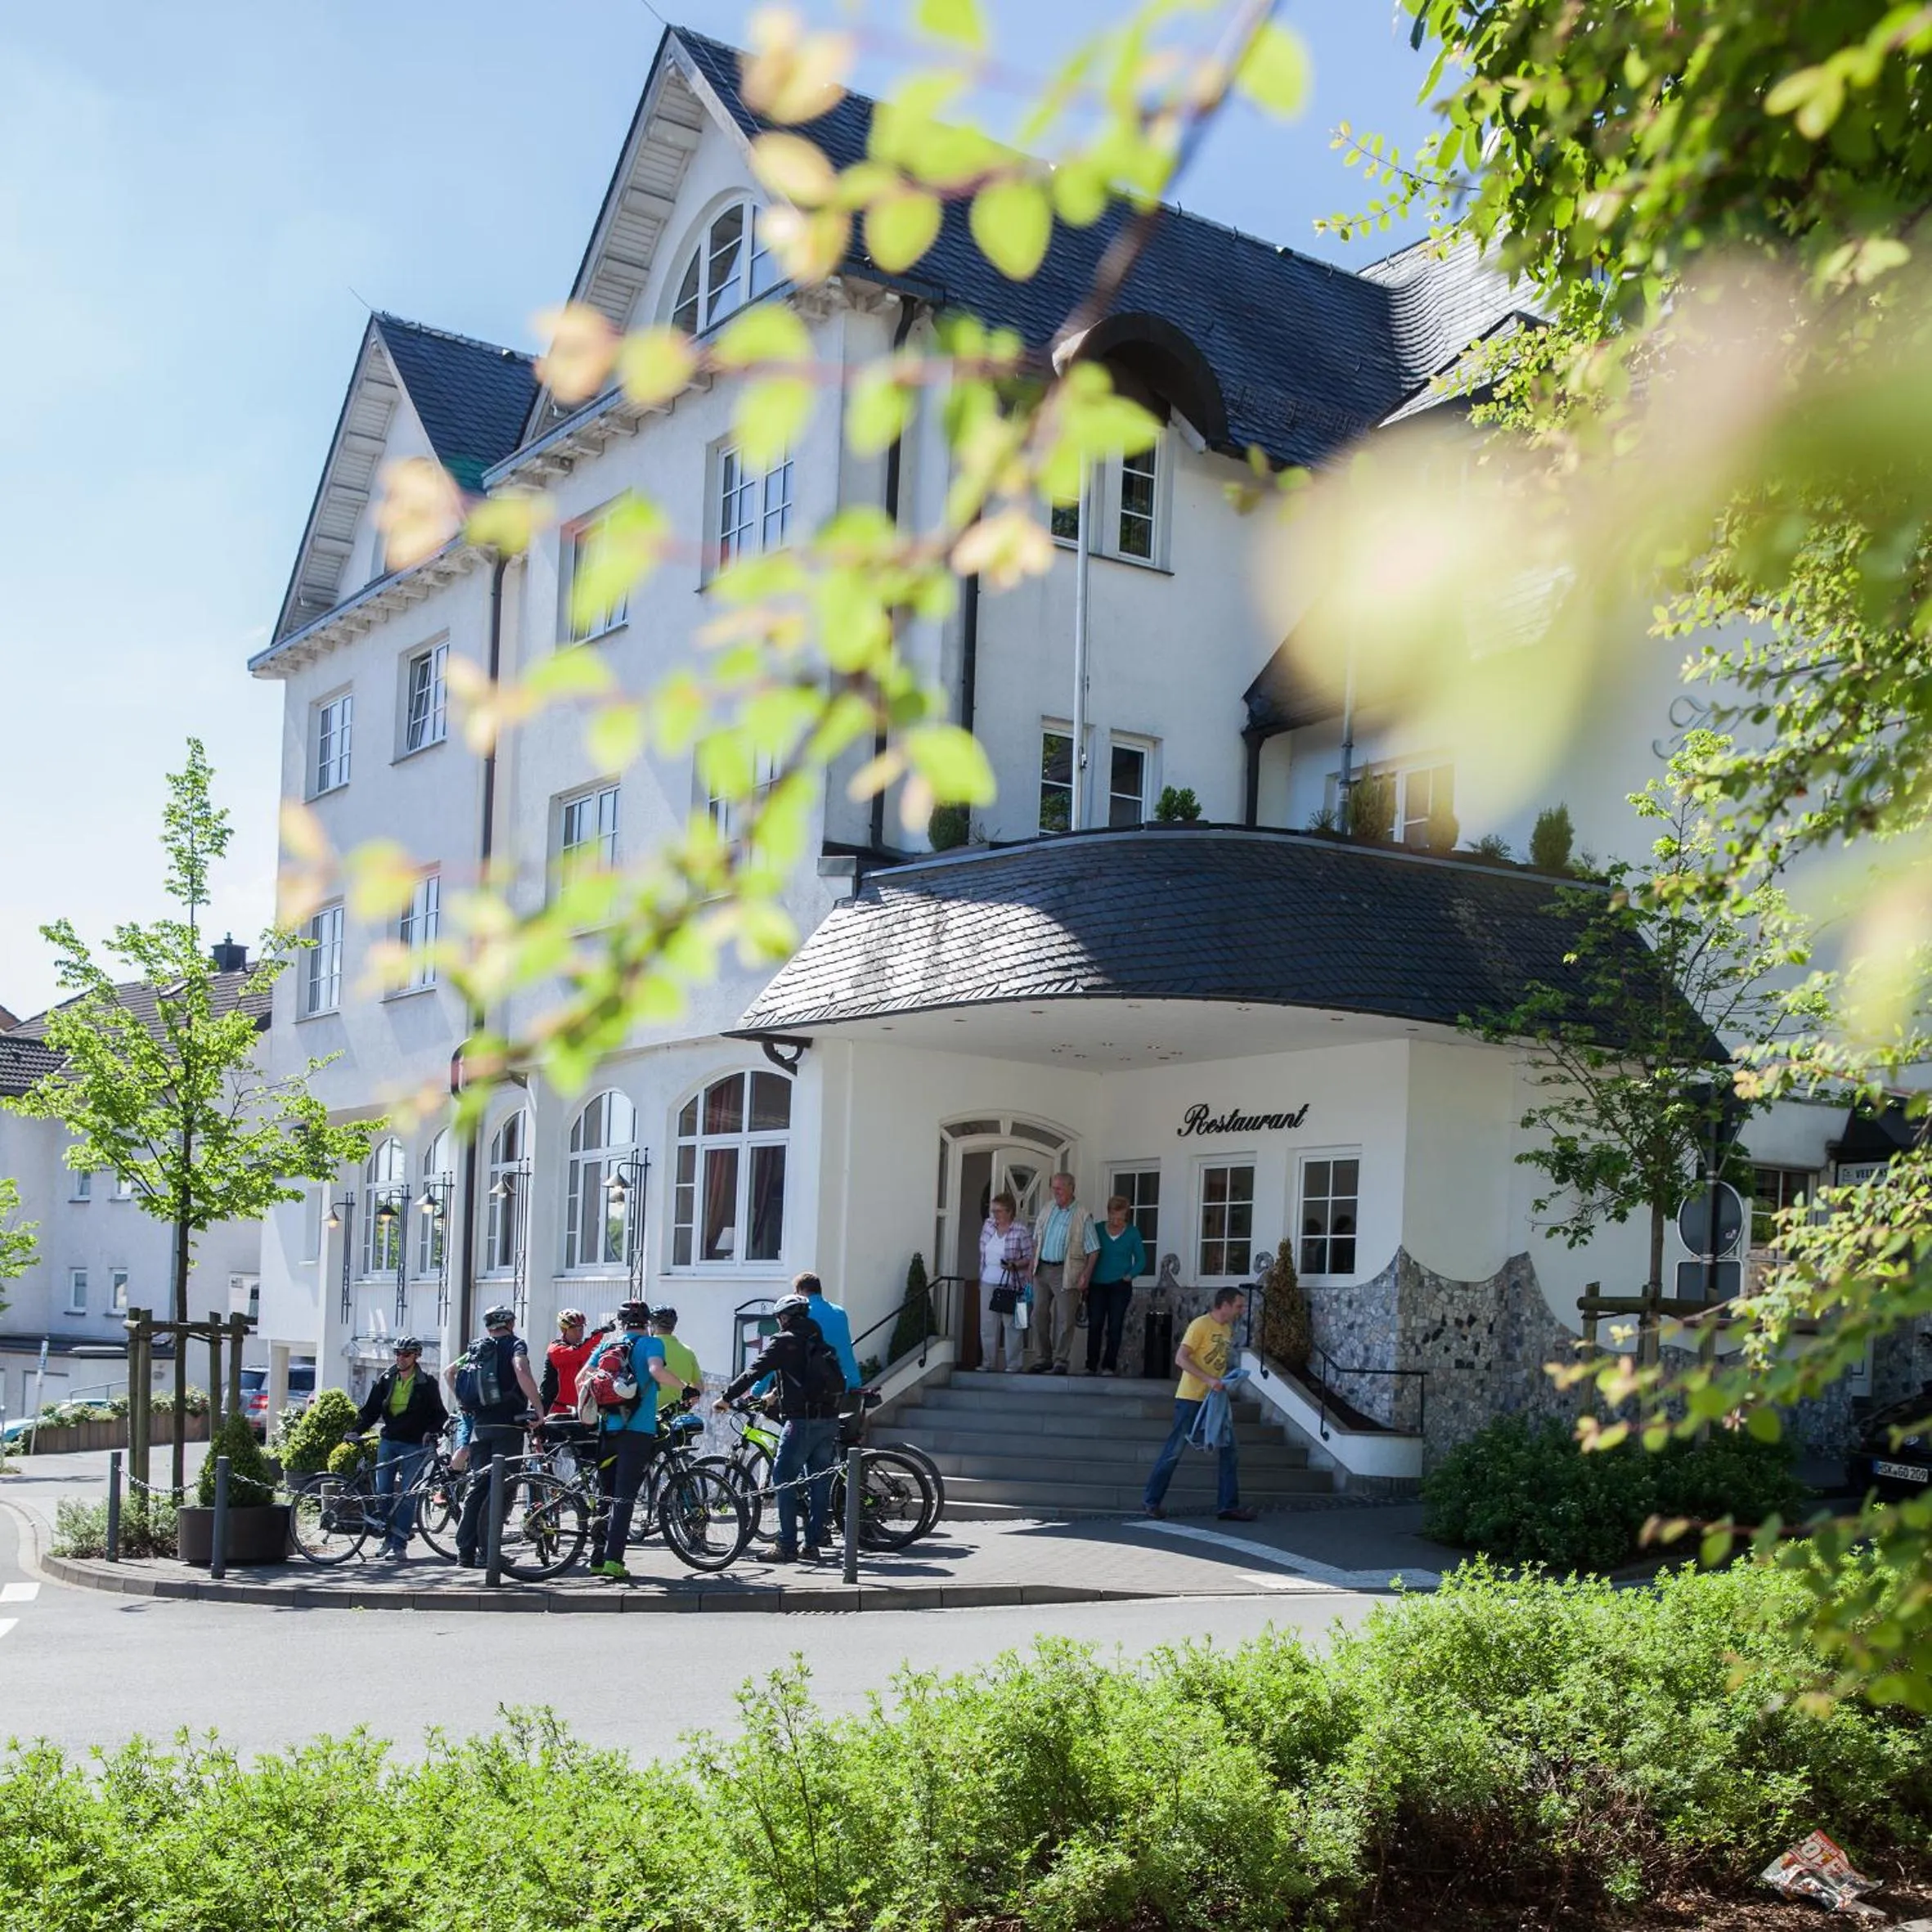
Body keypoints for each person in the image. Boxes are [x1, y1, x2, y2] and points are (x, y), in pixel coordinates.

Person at [716, 1292, 844, 1561]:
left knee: (783, 1476)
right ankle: (812, 1543)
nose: (778, 1323)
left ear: (785, 1318)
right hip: (829, 1419)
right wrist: (775, 1393)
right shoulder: (818, 1341)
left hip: (801, 1421)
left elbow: (755, 1371)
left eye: (779, 1318)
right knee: (818, 1480)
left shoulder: (784, 1341)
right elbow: (801, 1375)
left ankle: (786, 1544)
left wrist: (726, 1397)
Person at [586, 1300, 688, 1581]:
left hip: (607, 1429)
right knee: (625, 1495)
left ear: (621, 1322)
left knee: (604, 1493)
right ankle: (614, 1561)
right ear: (648, 1323)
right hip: (638, 1430)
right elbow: (656, 1371)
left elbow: (584, 1378)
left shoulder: (607, 1345)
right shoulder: (652, 1344)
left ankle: (596, 1559)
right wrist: (684, 1387)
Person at [1141, 1287, 1257, 1522]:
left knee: (1229, 1449)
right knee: (1174, 1450)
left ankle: (1227, 1506)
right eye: (1238, 1306)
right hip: (1191, 1398)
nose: (1242, 1310)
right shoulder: (1200, 1325)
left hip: (1214, 1399)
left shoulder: (1226, 1328)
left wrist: (1223, 1381)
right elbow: (1181, 1358)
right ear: (1224, 1304)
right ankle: (1151, 1501)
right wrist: (1209, 1380)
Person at [452, 1304, 546, 1567]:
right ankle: (489, 1552)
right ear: (510, 1324)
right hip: (508, 1426)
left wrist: (466, 1405)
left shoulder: (477, 1349)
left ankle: (465, 1552)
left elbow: (450, 1373)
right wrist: (538, 1407)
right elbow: (520, 1369)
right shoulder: (515, 1345)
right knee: (502, 1489)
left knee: (478, 1488)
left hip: (479, 1427)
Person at [348, 1337, 448, 1560]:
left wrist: (430, 1431)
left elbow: (440, 1414)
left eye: (406, 1354)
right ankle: (387, 1538)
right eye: (398, 1353)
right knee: (383, 1491)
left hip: (414, 1445)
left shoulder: (426, 1383)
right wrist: (357, 1430)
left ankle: (399, 1544)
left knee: (407, 1495)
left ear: (416, 1357)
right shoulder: (386, 1379)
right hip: (389, 1441)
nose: (400, 1358)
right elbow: (371, 1410)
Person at [1028, 1171, 1099, 1374]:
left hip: (1066, 1271)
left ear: (1071, 1188)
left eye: (1059, 1188)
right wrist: (1032, 1265)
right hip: (1042, 1269)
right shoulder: (1048, 1208)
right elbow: (1036, 1239)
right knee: (1038, 1315)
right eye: (1054, 1187)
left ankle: (1061, 1360)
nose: (1055, 1191)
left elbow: (1094, 1250)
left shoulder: (1082, 1214)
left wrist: (1086, 1275)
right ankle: (1044, 1357)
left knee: (1066, 1319)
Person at [1085, 1197, 1148, 1377]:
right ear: (1108, 1213)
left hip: (1120, 1285)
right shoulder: (1097, 1229)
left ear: (1126, 1216)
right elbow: (1088, 1251)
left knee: (1115, 1325)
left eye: (1120, 1218)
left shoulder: (1132, 1233)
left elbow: (1142, 1259)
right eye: (1113, 1217)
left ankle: (1109, 1366)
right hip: (1097, 1284)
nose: (1116, 1221)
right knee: (1095, 1323)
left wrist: (1130, 1276)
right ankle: (1091, 1365)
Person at [977, 1190, 1034, 1374]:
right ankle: (988, 1363)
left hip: (1014, 1285)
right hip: (988, 1281)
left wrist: (1015, 1264)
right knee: (987, 1325)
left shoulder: (1021, 1230)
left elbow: (1030, 1257)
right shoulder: (988, 1225)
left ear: (1010, 1211)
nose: (995, 1215)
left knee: (1014, 1324)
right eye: (993, 1211)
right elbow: (983, 1253)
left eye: (999, 1211)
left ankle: (1014, 1365)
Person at [793, 1271, 861, 1390]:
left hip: (818, 1387)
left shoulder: (801, 1314)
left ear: (801, 1291)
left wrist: (757, 1390)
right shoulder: (840, 1312)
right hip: (849, 1381)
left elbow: (781, 1350)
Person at [540, 1307, 608, 1417]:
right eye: (574, 1328)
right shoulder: (556, 1348)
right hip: (557, 1409)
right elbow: (578, 1353)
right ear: (564, 1330)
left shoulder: (586, 1349)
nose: (579, 1332)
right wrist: (599, 1334)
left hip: (583, 1408)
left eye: (581, 1328)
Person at [649, 1306, 702, 1415]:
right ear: (673, 1326)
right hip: (676, 1419)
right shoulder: (688, 1352)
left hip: (647, 1417)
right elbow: (699, 1388)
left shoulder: (646, 1347)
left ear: (652, 1325)